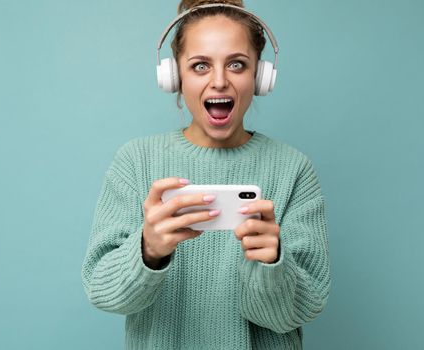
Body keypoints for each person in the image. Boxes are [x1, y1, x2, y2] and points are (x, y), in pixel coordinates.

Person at [81, 0, 331, 349]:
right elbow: (104, 293)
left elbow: (295, 312)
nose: (219, 82)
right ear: (174, 77)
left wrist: (271, 264)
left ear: (260, 76)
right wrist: (148, 251)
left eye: (236, 64)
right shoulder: (135, 161)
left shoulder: (293, 170)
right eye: (200, 66)